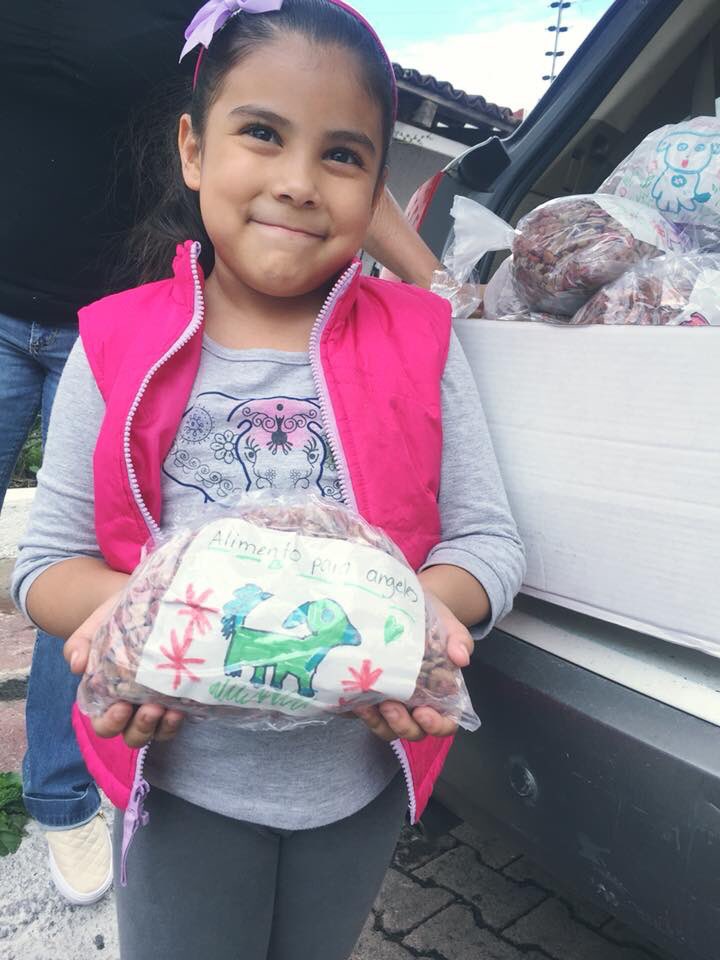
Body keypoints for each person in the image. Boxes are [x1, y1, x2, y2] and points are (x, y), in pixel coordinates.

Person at [12, 1, 525, 956]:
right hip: (182, 780)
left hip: (360, 783)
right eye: (261, 133)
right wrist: (141, 624)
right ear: (193, 149)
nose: (297, 181)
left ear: (378, 190)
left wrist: (412, 620)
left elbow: (486, 542)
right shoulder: (114, 342)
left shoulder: (422, 342)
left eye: (342, 155)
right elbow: (48, 566)